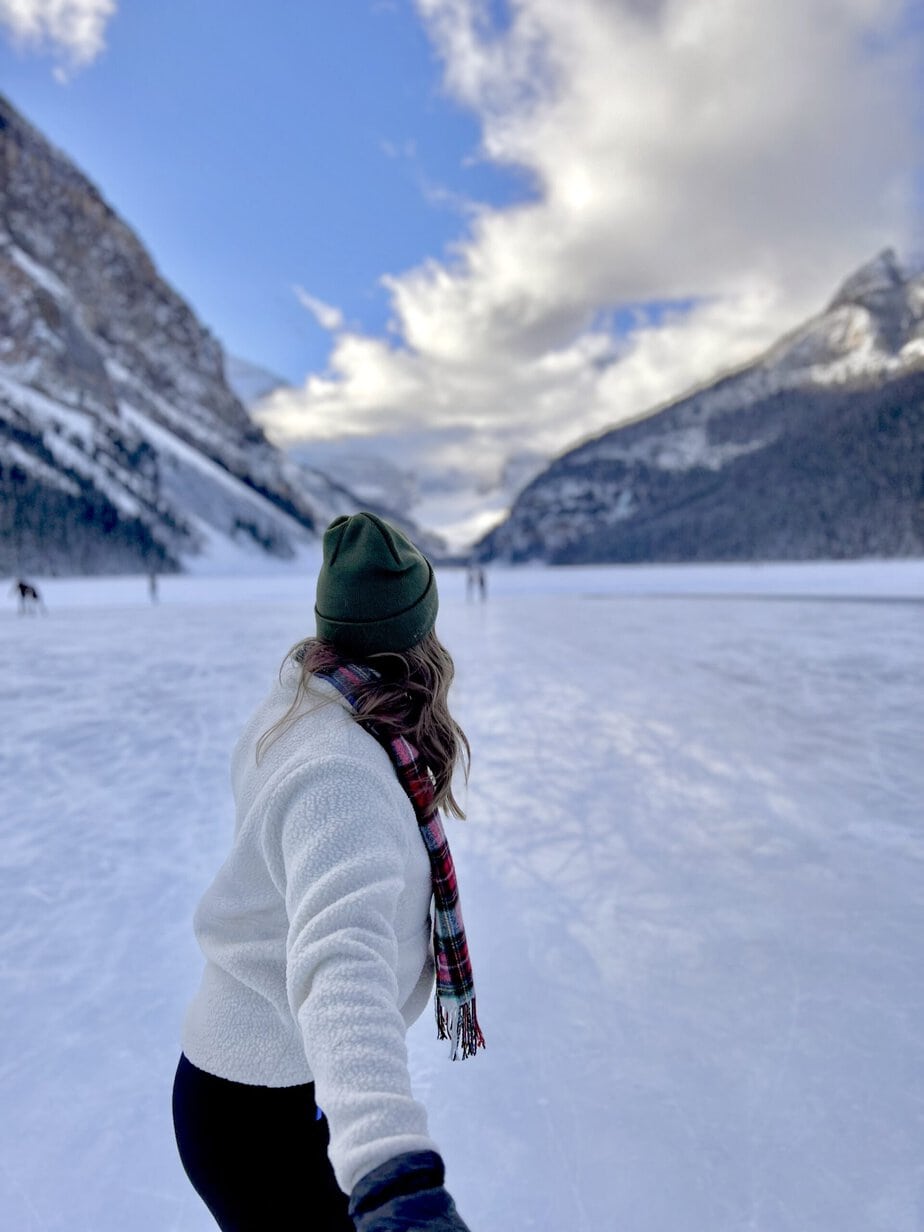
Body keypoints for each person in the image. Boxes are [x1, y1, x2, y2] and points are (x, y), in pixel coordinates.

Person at [173, 512, 484, 1232]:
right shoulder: (341, 774)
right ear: (418, 640)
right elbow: (340, 964)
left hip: (257, 1088)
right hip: (261, 1111)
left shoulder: (306, 707)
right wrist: (394, 1175)